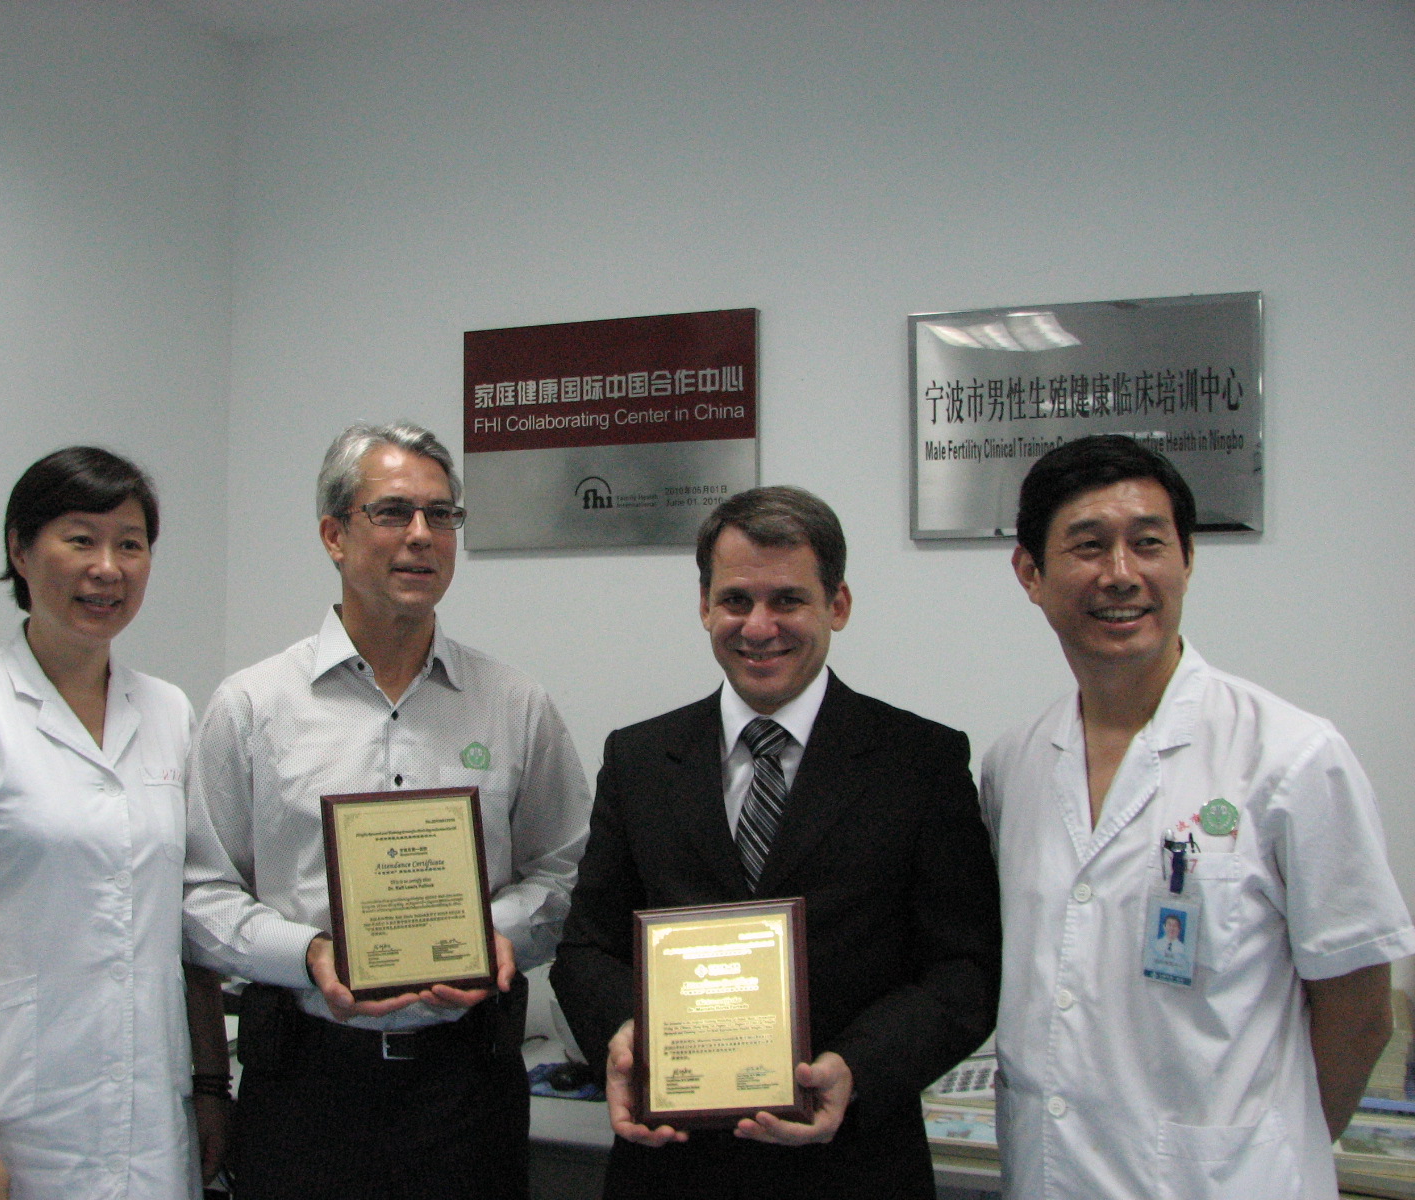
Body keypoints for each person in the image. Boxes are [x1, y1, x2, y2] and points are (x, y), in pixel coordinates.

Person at [982, 434, 1415, 1199]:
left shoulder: (1291, 757)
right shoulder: (1014, 764)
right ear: (1030, 573)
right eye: (1088, 545)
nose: (1122, 574)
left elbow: (1358, 1015)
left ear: (1186, 560)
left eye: (1149, 543)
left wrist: (1264, 1149)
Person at [550, 485, 1001, 1199]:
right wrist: (625, 1035)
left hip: (854, 1164)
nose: (759, 627)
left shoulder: (921, 762)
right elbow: (585, 949)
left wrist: (857, 1067)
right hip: (672, 1166)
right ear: (704, 606)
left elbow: (964, 970)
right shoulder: (638, 759)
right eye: (736, 600)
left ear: (837, 605)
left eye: (788, 600)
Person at [181, 421, 592, 1200]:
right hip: (303, 1087)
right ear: (334, 535)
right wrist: (309, 954)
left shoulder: (514, 705)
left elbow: (568, 874)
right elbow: (199, 897)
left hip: (468, 1089)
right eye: (393, 512)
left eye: (442, 515)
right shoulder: (251, 707)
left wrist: (491, 937)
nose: (422, 536)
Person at [0, 447, 228, 1200]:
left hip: (150, 1121)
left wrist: (211, 1086)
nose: (108, 568)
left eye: (130, 544)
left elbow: (181, 924)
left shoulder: (169, 711)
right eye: (80, 539)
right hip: (3, 1118)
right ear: (20, 551)